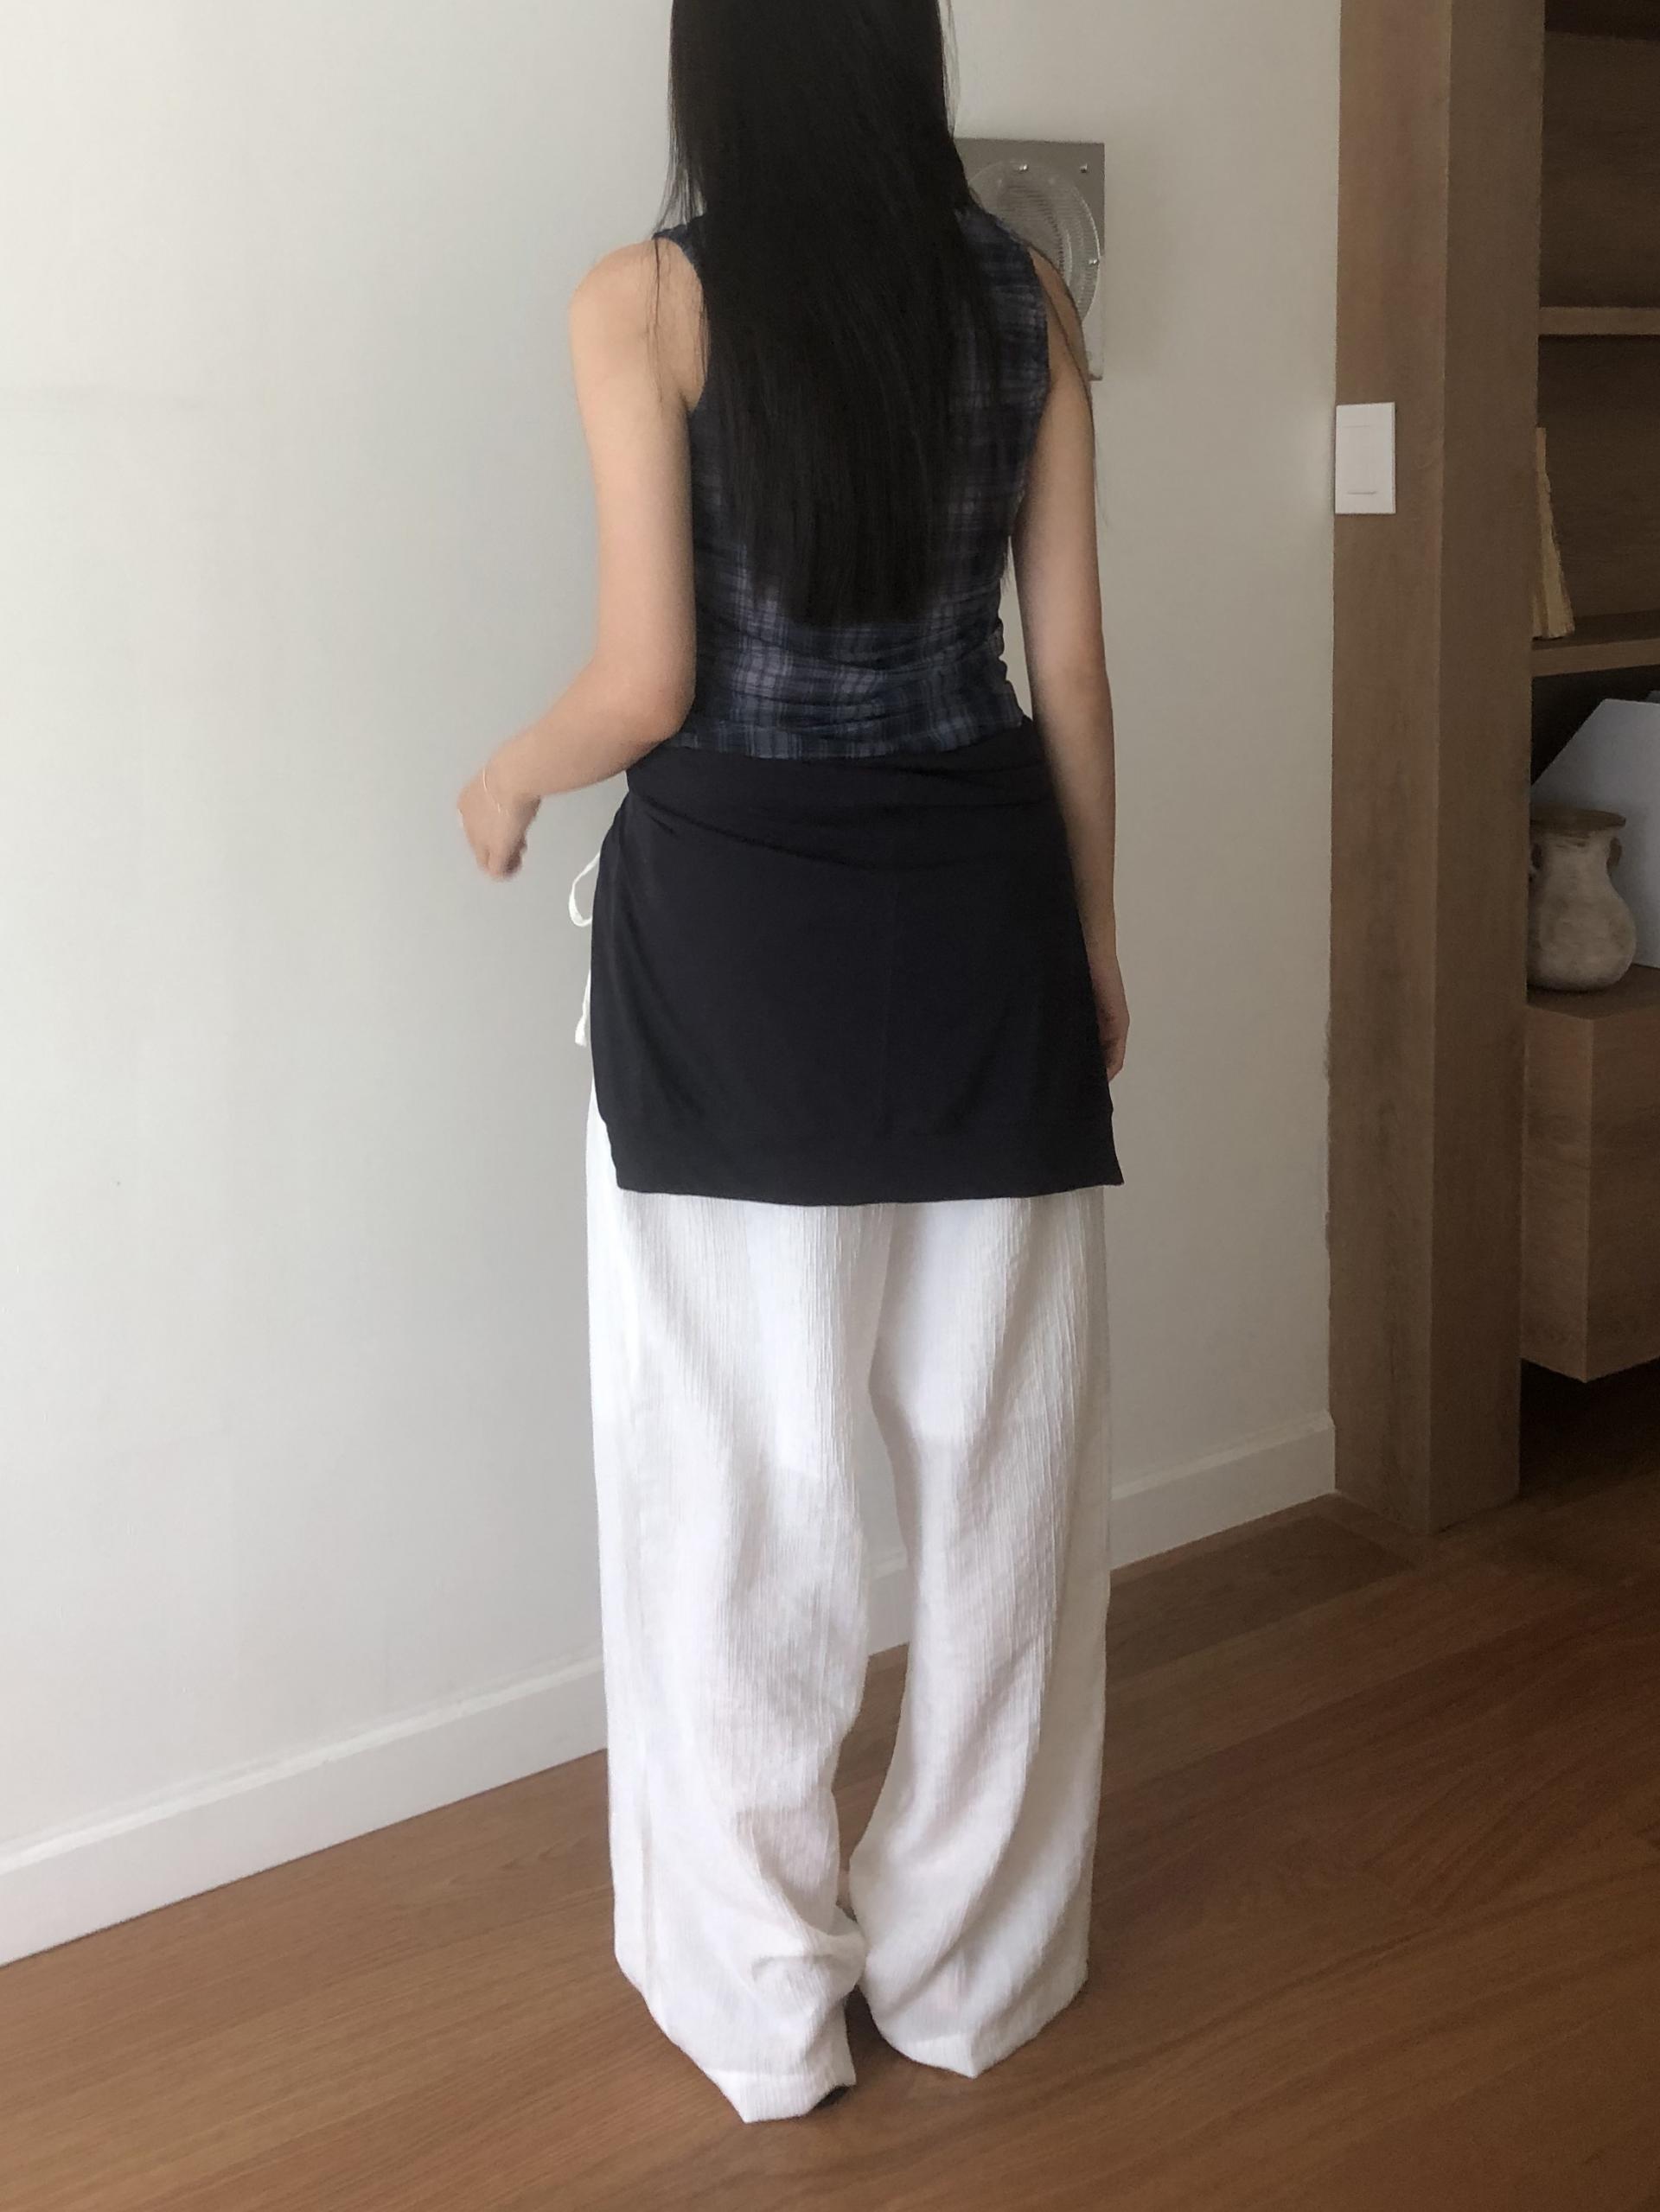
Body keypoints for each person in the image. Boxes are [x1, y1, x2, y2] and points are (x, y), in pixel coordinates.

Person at [457, 0, 1127, 2126]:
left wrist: (507, 775)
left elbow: (648, 680)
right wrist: (1097, 940)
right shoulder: (1020, 294)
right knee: (1005, 1481)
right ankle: (974, 1971)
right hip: (982, 921)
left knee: (736, 1496)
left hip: (743, 947)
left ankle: (762, 2002)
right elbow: (1068, 658)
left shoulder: (643, 302)